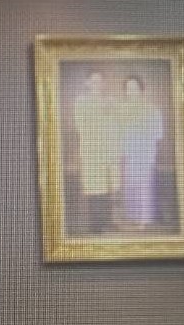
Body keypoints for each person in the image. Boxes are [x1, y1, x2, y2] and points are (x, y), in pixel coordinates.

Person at [71, 70, 121, 234]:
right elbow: (81, 125)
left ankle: (108, 221)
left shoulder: (110, 101)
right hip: (92, 149)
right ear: (87, 83)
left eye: (100, 81)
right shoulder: (81, 102)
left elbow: (116, 124)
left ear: (103, 83)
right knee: (94, 187)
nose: (97, 84)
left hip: (109, 149)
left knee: (109, 187)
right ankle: (95, 225)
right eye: (93, 81)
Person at [117, 75, 164, 230]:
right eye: (128, 88)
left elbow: (158, 134)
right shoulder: (122, 110)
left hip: (145, 151)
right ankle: (132, 217)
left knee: (144, 185)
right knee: (130, 185)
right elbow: (119, 133)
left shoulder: (151, 109)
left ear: (141, 90)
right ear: (125, 91)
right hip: (128, 152)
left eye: (135, 88)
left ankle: (144, 219)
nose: (132, 91)